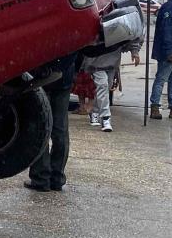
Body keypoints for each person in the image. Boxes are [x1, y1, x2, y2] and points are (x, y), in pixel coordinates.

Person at [25, 52, 77, 192]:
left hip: (42, 76)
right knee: (60, 129)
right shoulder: (70, 32)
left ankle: (41, 177)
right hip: (64, 76)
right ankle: (56, 176)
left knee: (41, 128)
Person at [82, 36, 141, 133]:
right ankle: (106, 118)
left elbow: (130, 34)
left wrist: (134, 51)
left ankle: (95, 112)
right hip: (95, 59)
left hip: (112, 59)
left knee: (105, 88)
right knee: (103, 86)